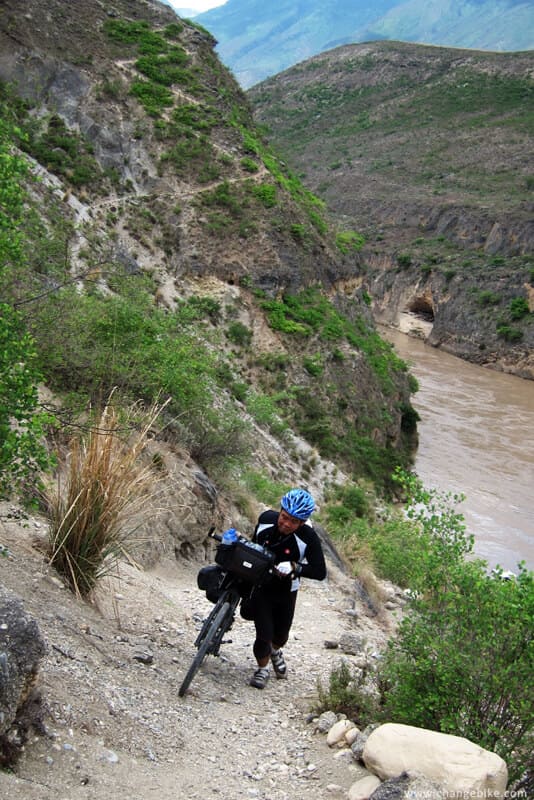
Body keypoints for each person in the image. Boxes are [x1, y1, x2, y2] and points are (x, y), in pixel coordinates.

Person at [242, 487, 327, 689]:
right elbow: (255, 544)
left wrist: (295, 566)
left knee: (281, 635)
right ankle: (262, 669)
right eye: (284, 517)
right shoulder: (265, 520)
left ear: (302, 522)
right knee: (264, 633)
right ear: (280, 511)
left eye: (293, 521)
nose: (286, 524)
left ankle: (275, 651)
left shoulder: (309, 538)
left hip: (286, 589)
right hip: (262, 583)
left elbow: (320, 571)